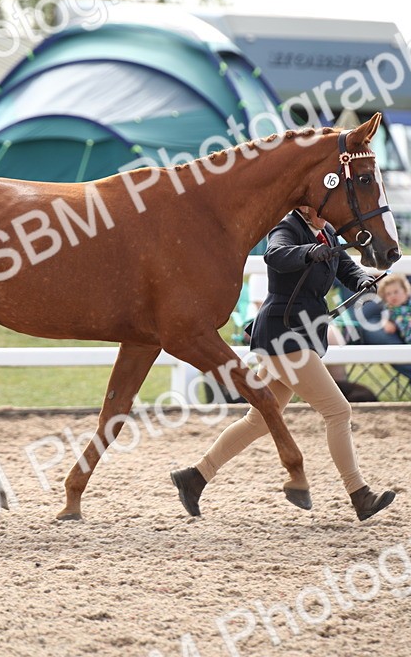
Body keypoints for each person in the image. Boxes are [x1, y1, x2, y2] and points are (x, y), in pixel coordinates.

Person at [170, 206, 396, 522]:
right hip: (285, 337)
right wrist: (309, 252)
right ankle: (359, 494)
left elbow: (345, 266)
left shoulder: (328, 232)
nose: (326, 213)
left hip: (298, 336)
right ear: (304, 205)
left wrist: (362, 279)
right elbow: (276, 255)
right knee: (338, 411)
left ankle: (195, 477)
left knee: (259, 420)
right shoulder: (287, 228)